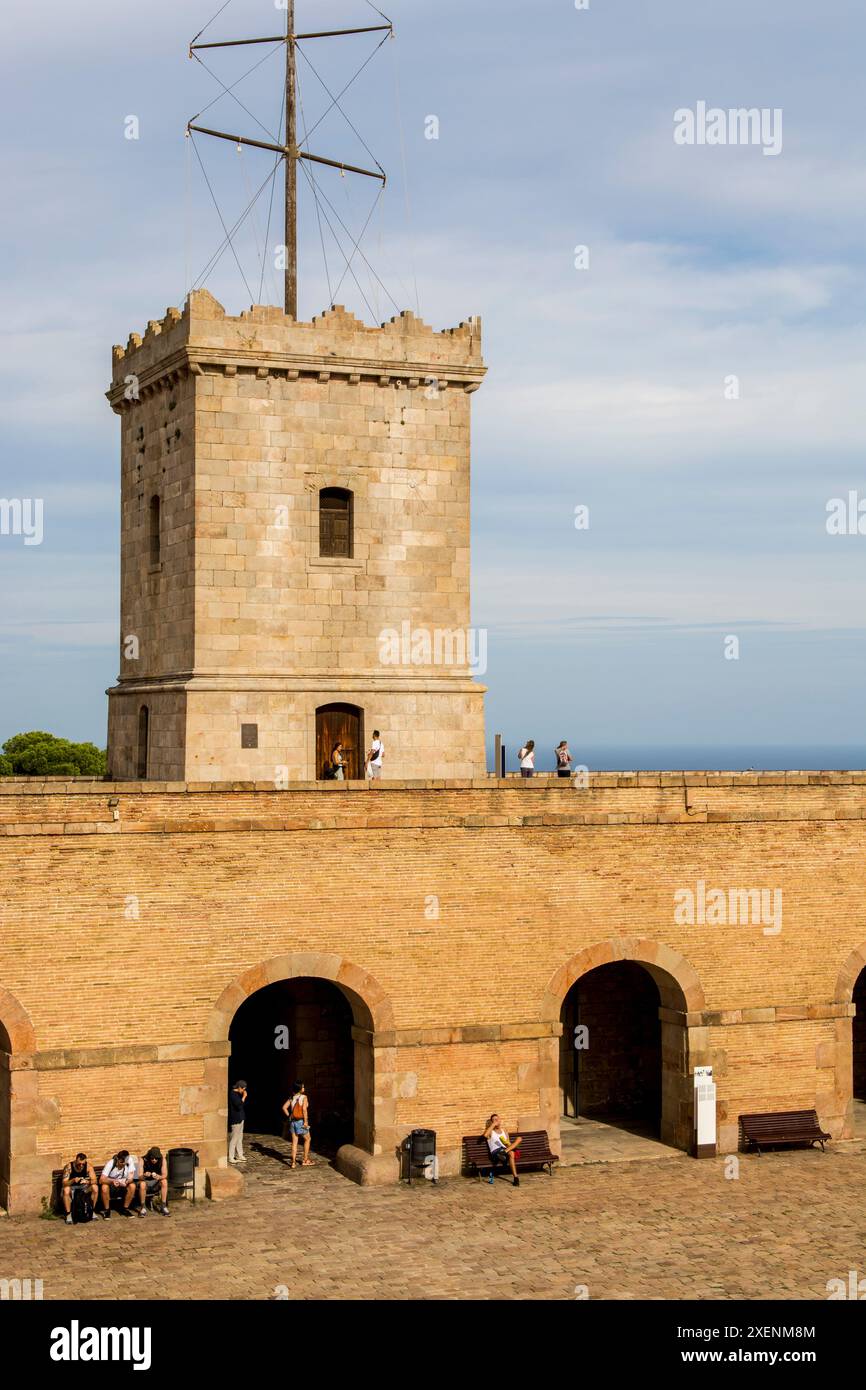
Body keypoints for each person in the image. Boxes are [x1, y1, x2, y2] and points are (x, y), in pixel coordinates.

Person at [483, 1114, 522, 1187]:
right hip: (496, 1152)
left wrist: (513, 1145)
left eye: (498, 1119)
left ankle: (515, 1178)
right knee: (511, 1153)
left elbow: (508, 1143)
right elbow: (485, 1135)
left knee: (519, 1139)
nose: (497, 1121)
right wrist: (493, 1125)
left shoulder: (504, 1131)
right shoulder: (491, 1132)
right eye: (494, 1120)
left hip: (505, 1150)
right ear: (492, 1122)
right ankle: (516, 1177)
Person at [282, 1081, 313, 1168]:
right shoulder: (304, 1097)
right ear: (299, 1089)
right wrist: (306, 1121)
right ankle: (305, 1160)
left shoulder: (292, 1097)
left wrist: (289, 1116)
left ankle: (293, 1163)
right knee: (308, 1139)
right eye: (303, 1087)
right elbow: (304, 1110)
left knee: (294, 1142)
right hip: (300, 1121)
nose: (304, 1088)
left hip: (293, 1122)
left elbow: (284, 1107)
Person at [61, 1152, 98, 1224]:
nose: (81, 1166)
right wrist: (73, 1180)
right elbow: (64, 1183)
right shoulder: (69, 1167)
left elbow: (95, 1180)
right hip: (72, 1187)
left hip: (83, 1188)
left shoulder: (88, 1166)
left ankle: (91, 1210)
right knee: (66, 1190)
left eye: (83, 1164)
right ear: (76, 1161)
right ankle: (68, 1214)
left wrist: (88, 1181)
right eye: (79, 1164)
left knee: (95, 1188)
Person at [99, 1150, 138, 1217]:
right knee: (104, 1187)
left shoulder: (129, 1161)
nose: (123, 1164)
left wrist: (127, 1181)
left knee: (132, 1186)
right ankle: (107, 1210)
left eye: (125, 1163)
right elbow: (101, 1180)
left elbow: (131, 1177)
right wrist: (112, 1181)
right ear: (117, 1159)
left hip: (123, 1184)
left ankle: (125, 1209)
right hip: (111, 1185)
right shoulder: (111, 1163)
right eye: (121, 1162)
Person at [137, 1145, 170, 1217]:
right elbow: (139, 1176)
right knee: (142, 1184)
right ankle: (143, 1207)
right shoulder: (142, 1160)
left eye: (156, 1158)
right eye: (152, 1158)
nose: (154, 1160)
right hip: (146, 1182)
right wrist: (145, 1175)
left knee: (164, 1181)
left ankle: (163, 1206)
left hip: (156, 1182)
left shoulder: (162, 1159)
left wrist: (159, 1177)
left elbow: (165, 1174)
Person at [228, 1080, 248, 1164]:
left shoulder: (237, 1094)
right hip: (236, 1120)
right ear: (239, 1087)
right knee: (234, 1139)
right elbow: (238, 1105)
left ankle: (240, 1155)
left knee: (240, 1138)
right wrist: (244, 1097)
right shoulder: (233, 1094)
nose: (244, 1091)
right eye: (243, 1089)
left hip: (240, 1118)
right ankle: (231, 1157)